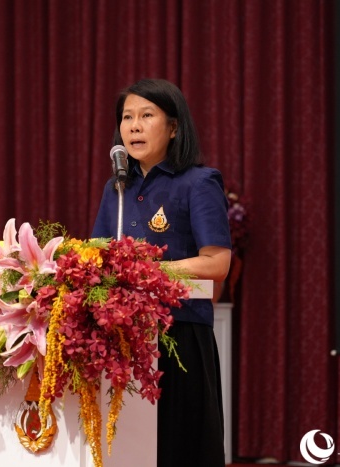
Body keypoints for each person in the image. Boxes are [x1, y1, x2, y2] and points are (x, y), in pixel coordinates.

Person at [91, 78, 231, 467]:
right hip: (121, 337)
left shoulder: (198, 183)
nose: (134, 126)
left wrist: (146, 270)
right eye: (127, 117)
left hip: (179, 335)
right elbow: (97, 257)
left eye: (146, 116)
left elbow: (217, 263)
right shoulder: (116, 189)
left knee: (179, 450)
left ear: (173, 127)